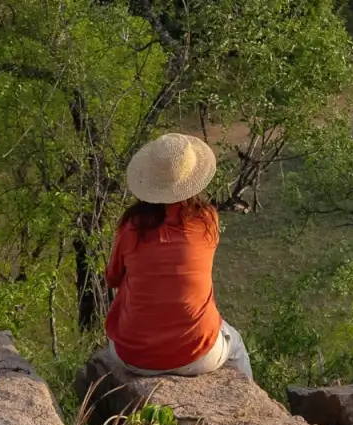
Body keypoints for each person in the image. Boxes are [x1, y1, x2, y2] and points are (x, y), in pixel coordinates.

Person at [104, 133, 253, 380]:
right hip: (197, 354)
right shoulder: (207, 220)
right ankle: (248, 400)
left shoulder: (131, 226)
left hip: (135, 357)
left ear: (148, 180)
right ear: (192, 178)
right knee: (235, 343)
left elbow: (112, 278)